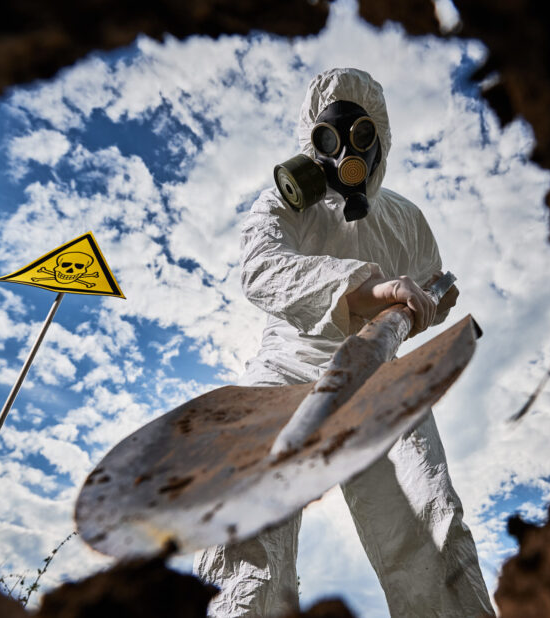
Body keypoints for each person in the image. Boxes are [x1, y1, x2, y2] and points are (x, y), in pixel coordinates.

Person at [193, 68, 494, 618]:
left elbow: (430, 282)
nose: (344, 151)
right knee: (248, 518)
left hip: (379, 378)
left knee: (430, 523)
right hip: (287, 371)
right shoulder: (283, 204)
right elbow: (262, 269)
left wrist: (432, 301)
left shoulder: (407, 221)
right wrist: (368, 287)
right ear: (311, 142)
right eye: (328, 138)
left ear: (379, 140)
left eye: (360, 136)